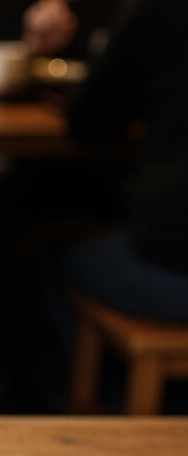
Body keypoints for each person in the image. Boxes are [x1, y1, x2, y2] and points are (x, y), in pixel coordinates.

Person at [57, 0, 188, 322]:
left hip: (173, 268)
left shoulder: (159, 10)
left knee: (53, 260)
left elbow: (89, 122)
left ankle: (100, 373)